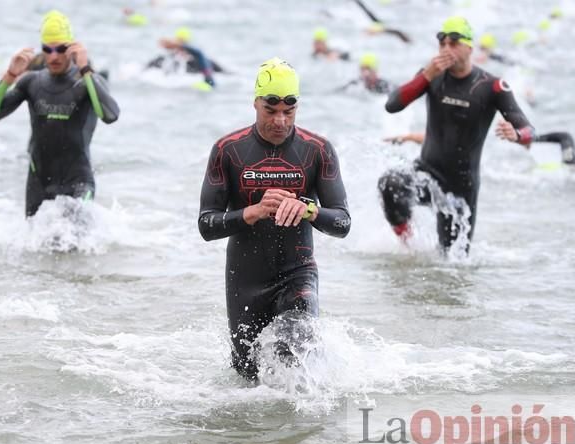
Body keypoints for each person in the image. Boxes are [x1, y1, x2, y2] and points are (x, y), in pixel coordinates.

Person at [198, 58, 351, 380]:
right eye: (271, 111)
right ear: (255, 103)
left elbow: (342, 223)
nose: (280, 121)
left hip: (297, 273)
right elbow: (206, 225)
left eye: (289, 112)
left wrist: (308, 209)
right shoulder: (228, 150)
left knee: (295, 344)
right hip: (245, 279)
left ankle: (311, 423)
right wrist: (249, 214)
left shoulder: (317, 149)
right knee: (247, 377)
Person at [378, 16, 534, 252]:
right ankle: (409, 246)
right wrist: (427, 75)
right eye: (442, 43)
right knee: (390, 183)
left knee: (451, 265)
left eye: (453, 42)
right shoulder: (431, 76)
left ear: (469, 47)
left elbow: (528, 130)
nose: (446, 48)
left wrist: (516, 135)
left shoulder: (491, 86)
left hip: (461, 188)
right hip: (427, 175)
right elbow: (392, 105)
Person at [0, 10, 120, 217]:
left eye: (60, 49)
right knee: (34, 246)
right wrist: (10, 76)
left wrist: (85, 69)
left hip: (78, 182)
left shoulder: (87, 82)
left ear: (71, 48)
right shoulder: (31, 82)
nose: (53, 56)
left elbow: (110, 115)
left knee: (78, 244)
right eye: (47, 49)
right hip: (39, 181)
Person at [384, 131, 575, 168]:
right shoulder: (491, 145)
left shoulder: (515, 142)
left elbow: (564, 137)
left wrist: (527, 138)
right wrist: (405, 138)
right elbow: (435, 140)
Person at [147, 27, 218, 88]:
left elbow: (197, 52)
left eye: (181, 43)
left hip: (207, 86)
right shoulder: (171, 59)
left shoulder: (200, 58)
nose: (180, 51)